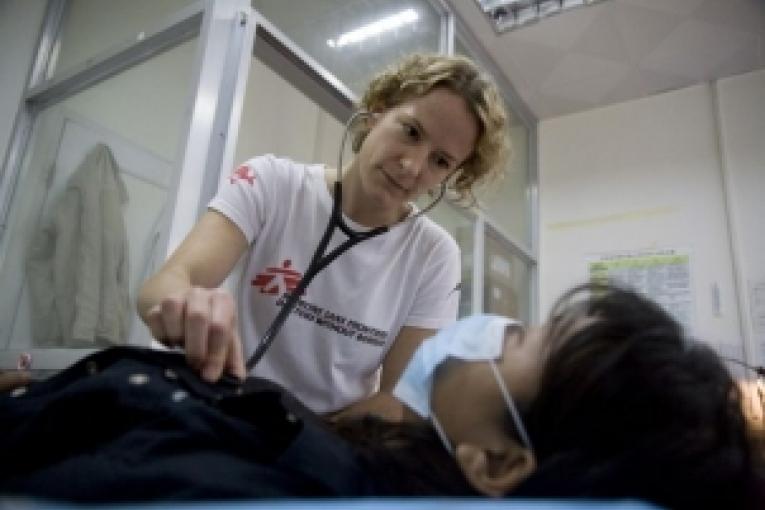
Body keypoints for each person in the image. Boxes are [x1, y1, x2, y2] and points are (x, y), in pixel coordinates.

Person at [1, 284, 759, 509]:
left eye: (518, 338)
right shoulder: (363, 457)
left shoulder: (242, 485)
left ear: (495, 464)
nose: (488, 329)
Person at [136, 53, 510, 420]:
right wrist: (184, 307)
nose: (412, 166)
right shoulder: (271, 183)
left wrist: (304, 441)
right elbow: (164, 285)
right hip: (222, 413)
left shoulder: (434, 255)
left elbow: (400, 401)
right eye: (411, 132)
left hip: (328, 446)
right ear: (378, 111)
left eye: (440, 161)